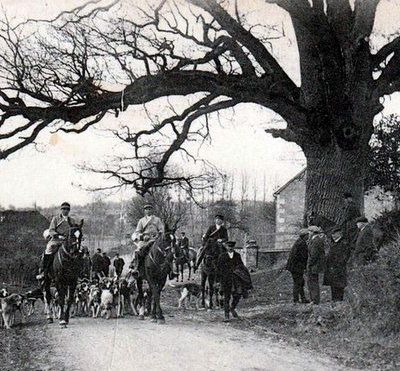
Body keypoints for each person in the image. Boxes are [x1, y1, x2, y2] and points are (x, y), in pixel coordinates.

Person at [131, 204, 177, 279]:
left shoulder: (157, 220)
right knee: (138, 251)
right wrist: (143, 236)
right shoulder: (141, 221)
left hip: (156, 240)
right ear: (144, 211)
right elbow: (137, 232)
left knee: (168, 251)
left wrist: (158, 235)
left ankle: (171, 271)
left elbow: (162, 230)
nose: (148, 210)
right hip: (145, 240)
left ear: (152, 210)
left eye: (150, 209)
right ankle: (136, 269)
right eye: (146, 209)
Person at [36, 202, 75, 281]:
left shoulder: (72, 220)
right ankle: (44, 271)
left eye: (67, 209)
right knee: (49, 249)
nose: (66, 211)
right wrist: (58, 235)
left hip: (68, 241)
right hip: (57, 239)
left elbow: (74, 231)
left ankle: (78, 272)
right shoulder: (56, 219)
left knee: (79, 250)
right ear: (61, 210)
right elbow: (51, 230)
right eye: (64, 209)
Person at [217, 241, 253, 322]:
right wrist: (218, 281)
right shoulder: (222, 256)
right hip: (225, 279)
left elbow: (241, 265)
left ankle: (232, 307)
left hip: (236, 279)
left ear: (234, 247)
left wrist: (241, 272)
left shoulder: (237, 255)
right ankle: (226, 316)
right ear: (226, 247)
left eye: (232, 247)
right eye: (229, 246)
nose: (230, 248)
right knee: (226, 297)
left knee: (238, 295)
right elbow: (218, 269)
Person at [323, 226, 351, 302]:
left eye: (334, 234)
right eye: (332, 234)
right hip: (332, 268)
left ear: (340, 234)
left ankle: (339, 302)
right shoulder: (333, 243)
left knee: (339, 286)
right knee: (333, 285)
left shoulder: (344, 243)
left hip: (339, 269)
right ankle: (334, 301)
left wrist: (337, 264)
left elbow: (345, 257)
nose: (333, 235)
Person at [285, 229, 310, 304]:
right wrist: (304, 267)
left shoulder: (299, 242)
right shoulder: (302, 244)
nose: (308, 236)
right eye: (307, 235)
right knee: (298, 283)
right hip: (296, 267)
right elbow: (303, 257)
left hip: (294, 266)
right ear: (305, 236)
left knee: (300, 282)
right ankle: (296, 300)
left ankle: (302, 298)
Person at [306, 225, 327, 305]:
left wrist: (309, 264)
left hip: (314, 265)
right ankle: (313, 299)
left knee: (313, 282)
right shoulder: (315, 240)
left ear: (312, 232)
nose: (308, 233)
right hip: (314, 264)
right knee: (312, 282)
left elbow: (314, 255)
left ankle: (315, 300)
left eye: (309, 231)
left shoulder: (316, 241)